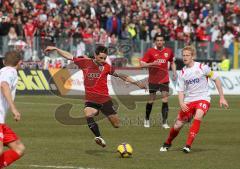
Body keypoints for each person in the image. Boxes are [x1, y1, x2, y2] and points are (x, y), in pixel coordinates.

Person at [44, 45, 146, 147]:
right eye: (101, 58)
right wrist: (56, 49)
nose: (103, 60)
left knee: (116, 124)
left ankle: (100, 113)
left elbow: (122, 75)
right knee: (88, 113)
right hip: (91, 100)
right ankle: (99, 137)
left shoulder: (107, 67)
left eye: (105, 58)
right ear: (95, 55)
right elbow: (69, 56)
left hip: (105, 100)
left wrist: (136, 83)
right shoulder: (85, 62)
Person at [160, 46, 229, 153]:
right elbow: (180, 90)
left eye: (187, 55)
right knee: (178, 125)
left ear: (193, 56)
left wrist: (222, 97)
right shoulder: (182, 72)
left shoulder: (202, 67)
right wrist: (181, 103)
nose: (185, 57)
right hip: (189, 100)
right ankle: (168, 142)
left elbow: (216, 79)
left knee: (198, 115)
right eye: (183, 55)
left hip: (203, 98)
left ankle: (188, 145)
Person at [140, 33, 177, 129]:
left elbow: (172, 62)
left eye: (161, 40)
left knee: (165, 100)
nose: (159, 42)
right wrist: (152, 63)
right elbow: (142, 64)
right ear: (155, 42)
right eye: (158, 40)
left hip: (164, 79)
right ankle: (147, 119)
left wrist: (174, 72)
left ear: (163, 41)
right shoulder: (150, 51)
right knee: (151, 100)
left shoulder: (168, 51)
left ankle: (164, 122)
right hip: (153, 80)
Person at [0, 51, 25, 168]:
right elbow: (4, 85)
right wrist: (14, 108)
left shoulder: (3, 71)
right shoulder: (11, 71)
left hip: (1, 121)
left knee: (19, 148)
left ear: (4, 62)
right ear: (20, 62)